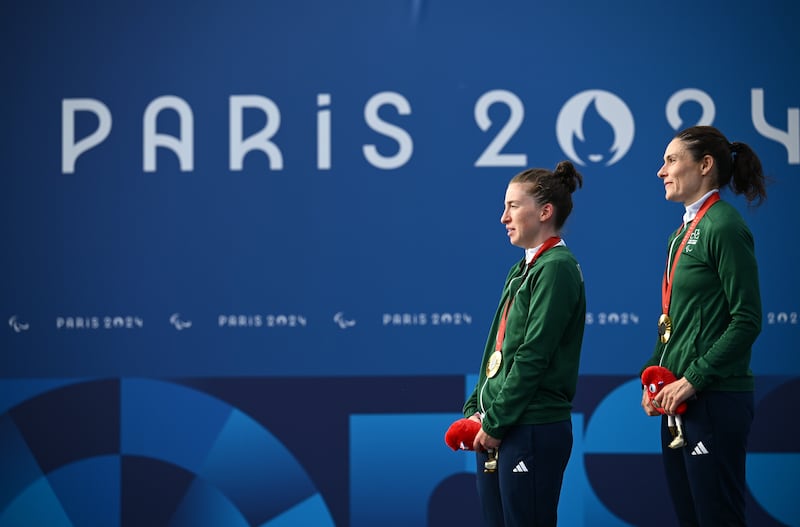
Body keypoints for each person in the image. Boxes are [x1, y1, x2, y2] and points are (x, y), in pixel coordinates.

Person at [640, 125, 767, 526]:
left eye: (672, 160)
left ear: (706, 165)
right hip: (679, 400)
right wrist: (655, 379)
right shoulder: (680, 235)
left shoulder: (724, 226)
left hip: (713, 398)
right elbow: (674, 323)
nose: (661, 171)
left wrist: (693, 378)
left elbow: (746, 320)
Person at [462, 161, 586, 527]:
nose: (503, 217)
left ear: (545, 212)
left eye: (513, 206)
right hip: (501, 424)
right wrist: (476, 406)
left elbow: (534, 355)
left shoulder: (557, 266)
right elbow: (496, 349)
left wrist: (496, 421)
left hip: (530, 425)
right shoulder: (523, 268)